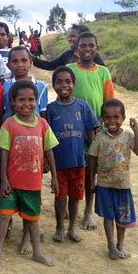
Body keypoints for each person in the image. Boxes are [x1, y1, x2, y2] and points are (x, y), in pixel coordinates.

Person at [0, 80, 59, 273]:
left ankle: (37, 251)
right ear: (13, 102)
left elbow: (49, 151)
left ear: (37, 101)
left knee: (32, 219)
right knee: (3, 218)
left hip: (33, 184)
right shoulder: (9, 124)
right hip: (11, 184)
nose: (27, 104)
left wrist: (55, 178)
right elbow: (4, 154)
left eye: (31, 100)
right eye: (22, 100)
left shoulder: (42, 124)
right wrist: (3, 181)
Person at [68, 31, 115, 230]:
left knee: (90, 172)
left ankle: (88, 211)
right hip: (73, 130)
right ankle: (71, 209)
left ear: (96, 48)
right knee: (72, 169)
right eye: (83, 46)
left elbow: (109, 103)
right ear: (76, 49)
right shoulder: (70, 69)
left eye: (91, 46)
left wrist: (104, 128)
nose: (87, 49)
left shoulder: (103, 72)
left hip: (96, 130)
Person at [46, 66, 100, 243]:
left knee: (75, 197)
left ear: (74, 85)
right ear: (53, 85)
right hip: (59, 164)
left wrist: (91, 158)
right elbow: (46, 138)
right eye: (59, 82)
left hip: (78, 162)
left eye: (68, 81)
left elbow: (91, 134)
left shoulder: (83, 107)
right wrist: (47, 162)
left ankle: (72, 228)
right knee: (60, 196)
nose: (64, 85)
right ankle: (60, 227)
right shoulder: (51, 109)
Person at [88, 99, 138, 259]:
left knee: (123, 217)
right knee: (108, 216)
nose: (112, 121)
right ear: (103, 119)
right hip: (105, 185)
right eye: (107, 117)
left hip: (123, 186)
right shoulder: (99, 138)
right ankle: (111, 246)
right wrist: (92, 181)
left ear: (123, 118)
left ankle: (120, 245)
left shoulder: (127, 136)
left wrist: (136, 130)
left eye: (116, 117)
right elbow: (92, 158)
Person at [32, 24, 105, 70]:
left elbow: (104, 76)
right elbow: (49, 65)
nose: (69, 39)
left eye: (73, 36)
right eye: (69, 37)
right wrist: (31, 58)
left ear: (83, 38)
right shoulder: (67, 55)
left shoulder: (94, 57)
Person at [2, 46, 48, 120]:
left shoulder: (41, 87)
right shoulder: (5, 86)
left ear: (30, 62)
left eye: (24, 60)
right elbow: (4, 112)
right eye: (14, 61)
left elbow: (43, 115)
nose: (20, 65)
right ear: (8, 65)